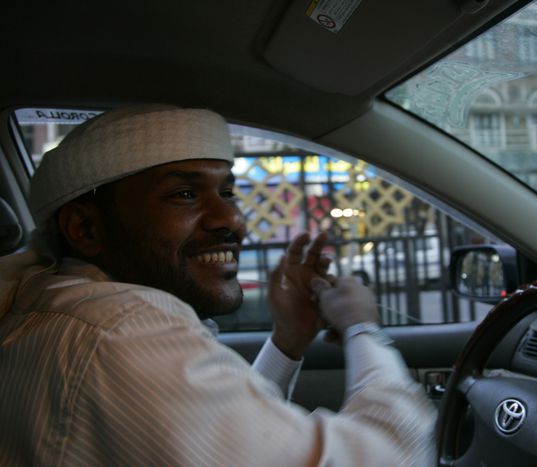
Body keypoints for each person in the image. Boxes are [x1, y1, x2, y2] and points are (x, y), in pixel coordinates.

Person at [0, 105, 436, 466]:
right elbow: (388, 457)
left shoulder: (60, 305)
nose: (231, 220)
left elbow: (228, 434)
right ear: (85, 229)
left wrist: (287, 342)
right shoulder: (120, 328)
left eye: (227, 192)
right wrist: (362, 328)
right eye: (184, 195)